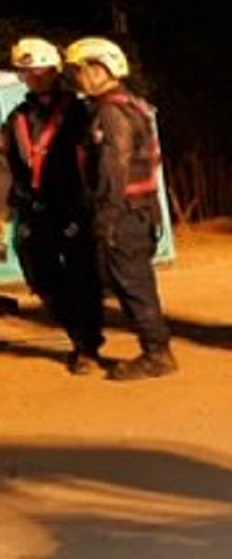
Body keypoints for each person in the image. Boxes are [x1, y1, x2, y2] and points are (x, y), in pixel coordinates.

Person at [64, 37, 176, 380]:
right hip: (137, 209)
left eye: (81, 70)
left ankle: (157, 353)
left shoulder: (111, 112)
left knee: (132, 283)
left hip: (124, 213)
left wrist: (107, 218)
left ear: (101, 70)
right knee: (129, 280)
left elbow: (115, 167)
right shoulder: (130, 104)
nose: (77, 78)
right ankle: (155, 348)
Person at [1, 37, 104, 374]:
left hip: (76, 204)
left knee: (83, 274)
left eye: (41, 70)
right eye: (28, 72)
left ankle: (86, 345)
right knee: (40, 274)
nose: (35, 77)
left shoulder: (81, 111)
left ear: (56, 71)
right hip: (36, 207)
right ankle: (76, 330)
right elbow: (6, 168)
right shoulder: (16, 119)